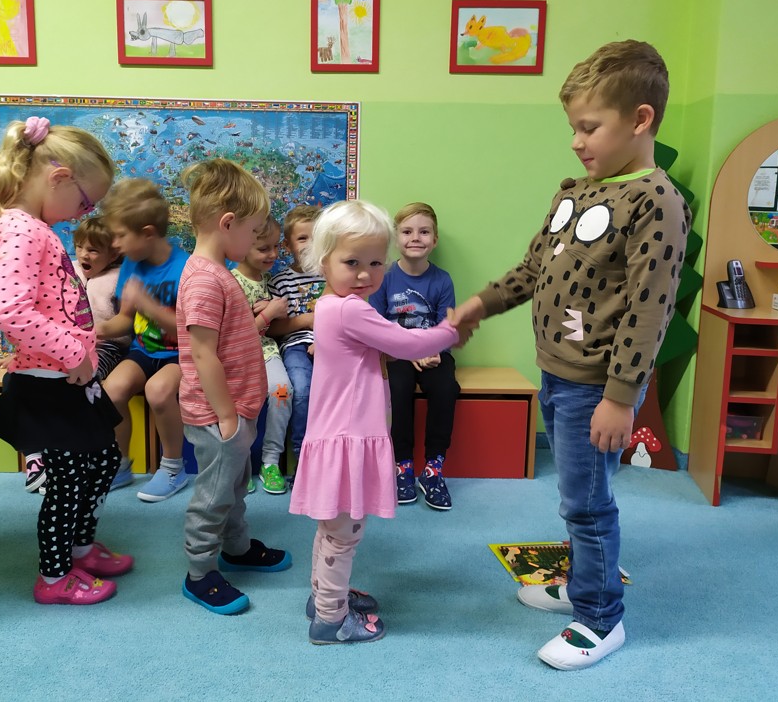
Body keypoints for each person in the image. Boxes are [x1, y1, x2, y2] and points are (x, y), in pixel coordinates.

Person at [451, 40, 691, 670]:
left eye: (590, 127)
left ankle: (601, 617)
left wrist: (620, 397)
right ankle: (582, 582)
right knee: (576, 493)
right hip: (557, 371)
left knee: (587, 503)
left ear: (640, 120)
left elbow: (650, 309)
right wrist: (480, 304)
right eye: (574, 128)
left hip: (598, 384)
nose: (576, 141)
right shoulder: (578, 192)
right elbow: (535, 267)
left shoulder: (657, 202)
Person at [290, 200, 462, 645]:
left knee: (332, 528)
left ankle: (323, 596)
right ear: (323, 261)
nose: (365, 274)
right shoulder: (353, 310)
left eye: (375, 263)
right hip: (348, 436)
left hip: (336, 433)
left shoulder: (330, 304)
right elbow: (407, 344)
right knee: (344, 535)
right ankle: (331, 619)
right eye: (352, 263)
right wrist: (453, 328)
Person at [0, 115, 131, 606]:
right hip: (48, 381)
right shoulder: (20, 229)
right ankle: (54, 576)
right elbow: (11, 311)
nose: (85, 212)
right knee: (66, 483)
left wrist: (79, 356)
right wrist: (73, 353)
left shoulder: (36, 227)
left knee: (104, 459)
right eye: (85, 202)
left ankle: (81, 548)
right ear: (59, 178)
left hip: (68, 377)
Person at [177, 158, 292, 615]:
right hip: (218, 415)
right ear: (228, 224)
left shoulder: (218, 272)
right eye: (254, 230)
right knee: (214, 496)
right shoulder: (206, 280)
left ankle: (237, 548)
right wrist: (226, 414)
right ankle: (199, 574)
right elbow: (203, 354)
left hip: (237, 409)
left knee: (234, 486)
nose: (256, 240)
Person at [21, 215, 129, 494]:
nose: (83, 254)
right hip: (70, 345)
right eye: (79, 246)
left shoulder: (119, 279)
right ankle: (40, 458)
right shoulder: (69, 275)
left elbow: (127, 323)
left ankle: (78, 458)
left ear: (113, 254)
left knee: (77, 384)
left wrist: (93, 334)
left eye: (93, 250)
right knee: (34, 379)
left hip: (107, 346)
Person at [98, 178, 191, 501]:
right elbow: (125, 319)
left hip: (180, 354)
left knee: (158, 391)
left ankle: (173, 467)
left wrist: (149, 305)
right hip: (143, 350)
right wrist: (95, 331)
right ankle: (121, 465)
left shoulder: (186, 268)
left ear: (148, 233)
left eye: (121, 236)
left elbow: (189, 331)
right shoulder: (132, 265)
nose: (115, 244)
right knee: (111, 390)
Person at [369, 202, 460, 510]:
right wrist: (408, 351)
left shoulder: (443, 279)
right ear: (396, 238)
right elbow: (376, 326)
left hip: (432, 352)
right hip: (395, 353)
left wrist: (433, 349)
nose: (415, 238)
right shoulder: (384, 276)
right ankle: (402, 466)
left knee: (446, 388)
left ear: (434, 240)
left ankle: (433, 468)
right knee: (397, 388)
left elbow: (446, 327)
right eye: (407, 232)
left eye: (424, 232)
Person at [230, 215, 291, 494]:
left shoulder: (270, 281)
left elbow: (276, 323)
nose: (273, 254)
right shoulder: (231, 282)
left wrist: (277, 311)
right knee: (241, 403)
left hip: (266, 352)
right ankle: (239, 463)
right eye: (264, 248)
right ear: (243, 246)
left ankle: (270, 462)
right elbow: (237, 336)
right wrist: (270, 313)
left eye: (276, 246)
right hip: (238, 356)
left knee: (282, 391)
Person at [267, 205, 325, 477]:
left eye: (317, 237)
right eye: (303, 238)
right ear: (288, 246)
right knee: (301, 390)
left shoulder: (333, 276)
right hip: (295, 345)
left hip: (332, 345)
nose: (310, 245)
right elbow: (273, 329)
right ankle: (303, 459)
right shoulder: (279, 282)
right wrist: (306, 320)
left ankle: (332, 456)